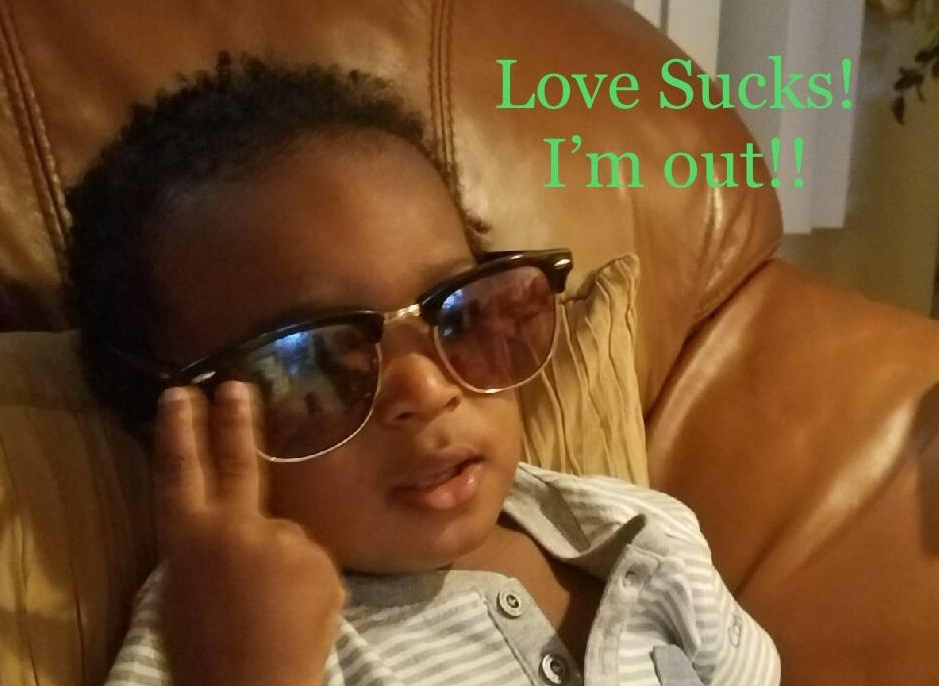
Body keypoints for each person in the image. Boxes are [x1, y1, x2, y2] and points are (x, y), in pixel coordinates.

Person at [66, 53, 780, 686]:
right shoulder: (220, 629)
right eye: (316, 363)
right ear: (178, 431)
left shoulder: (639, 532)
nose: (430, 389)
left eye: (458, 315)